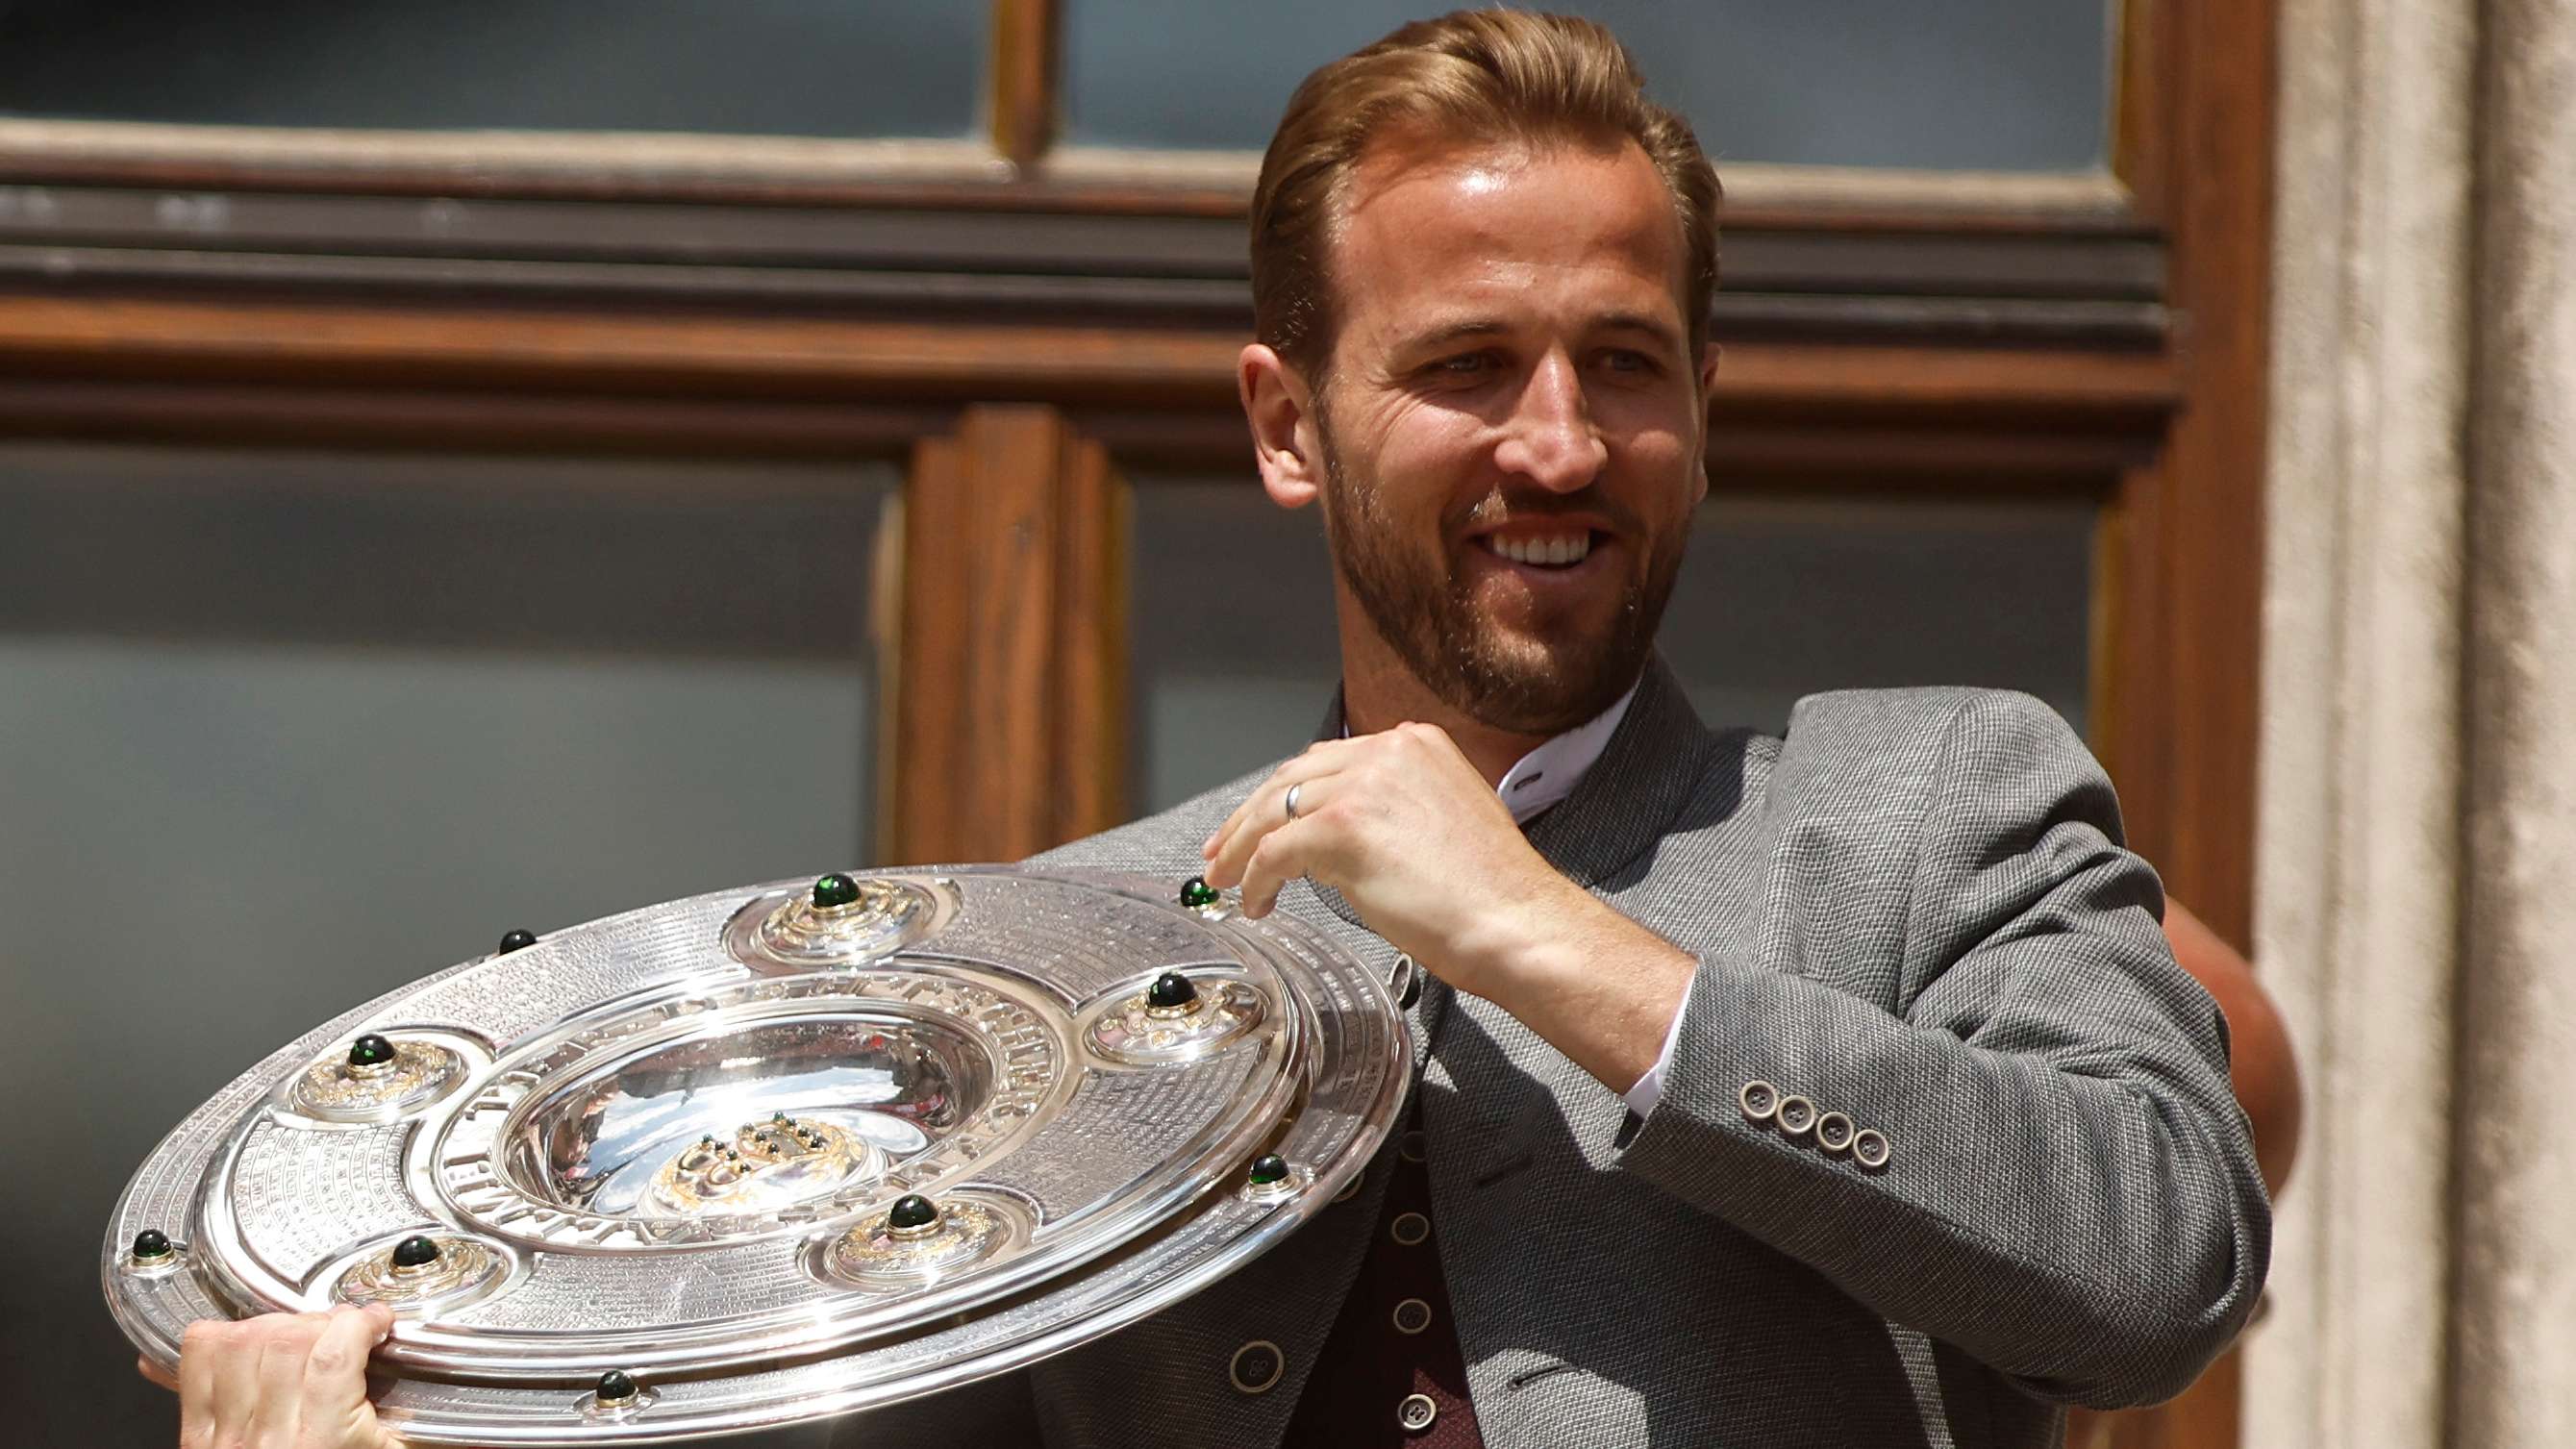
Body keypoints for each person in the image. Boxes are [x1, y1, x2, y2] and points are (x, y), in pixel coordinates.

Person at [156, 12, 2268, 1448]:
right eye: (1467, 366)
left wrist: (1553, 941)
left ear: (1697, 407)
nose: (1558, 440)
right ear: (1286, 424)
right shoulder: (1053, 955)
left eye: (1623, 361)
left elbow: (2155, 1252)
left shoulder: (1936, 801)